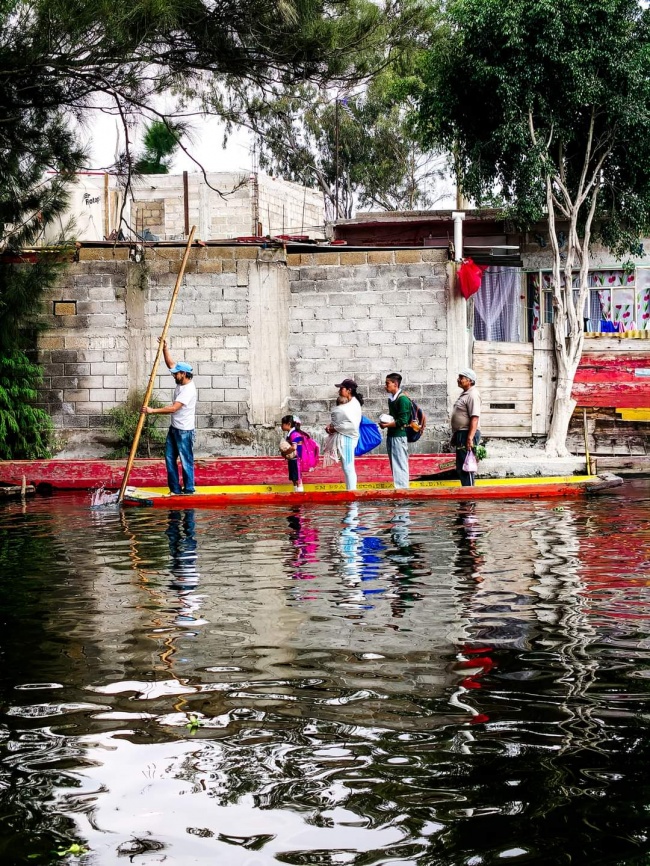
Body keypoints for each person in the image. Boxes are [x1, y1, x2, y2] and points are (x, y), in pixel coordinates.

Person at [142, 340, 197, 495]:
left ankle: (189, 490)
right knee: (169, 458)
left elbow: (173, 408)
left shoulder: (188, 390)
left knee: (186, 461)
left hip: (185, 431)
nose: (173, 375)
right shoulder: (181, 380)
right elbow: (170, 364)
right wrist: (165, 348)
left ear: (183, 374)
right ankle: (175, 490)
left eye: (176, 374)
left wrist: (152, 411)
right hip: (174, 429)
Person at [325, 378, 363, 490]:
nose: (339, 391)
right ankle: (350, 490)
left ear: (349, 390)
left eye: (341, 388)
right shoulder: (350, 404)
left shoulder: (353, 405)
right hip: (344, 438)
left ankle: (352, 492)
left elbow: (350, 425)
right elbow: (342, 421)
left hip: (348, 439)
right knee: (346, 468)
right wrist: (332, 426)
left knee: (348, 467)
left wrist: (334, 428)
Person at [379, 372, 411, 489]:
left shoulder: (402, 399)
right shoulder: (392, 399)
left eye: (387, 383)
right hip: (392, 435)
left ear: (395, 384)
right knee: (395, 465)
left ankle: (403, 490)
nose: (385, 386)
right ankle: (399, 489)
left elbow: (403, 421)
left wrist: (387, 425)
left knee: (400, 464)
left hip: (399, 436)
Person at [451, 367, 481, 487]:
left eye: (461, 377)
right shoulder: (465, 394)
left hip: (467, 434)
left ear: (470, 380)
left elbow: (475, 418)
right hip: (462, 434)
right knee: (461, 466)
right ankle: (466, 491)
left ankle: (470, 493)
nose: (458, 379)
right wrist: (455, 435)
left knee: (466, 466)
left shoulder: (473, 395)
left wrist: (469, 438)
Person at [280, 414, 305, 493]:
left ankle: (299, 494)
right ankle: (296, 493)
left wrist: (285, 453)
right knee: (294, 479)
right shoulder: (292, 433)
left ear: (288, 424)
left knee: (297, 479)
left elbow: (294, 447)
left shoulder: (294, 434)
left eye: (282, 424)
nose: (281, 426)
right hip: (293, 459)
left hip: (296, 459)